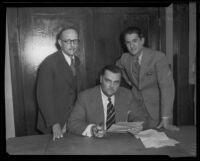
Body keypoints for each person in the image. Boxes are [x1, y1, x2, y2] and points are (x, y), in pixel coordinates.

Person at [116, 26, 179, 131]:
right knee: (136, 141)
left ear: (142, 40)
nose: (132, 46)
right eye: (128, 42)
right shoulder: (125, 58)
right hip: (136, 109)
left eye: (135, 41)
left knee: (159, 142)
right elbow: (118, 67)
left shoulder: (158, 57)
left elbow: (167, 88)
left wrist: (165, 117)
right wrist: (129, 81)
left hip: (157, 112)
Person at [68, 65, 146, 138]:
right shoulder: (85, 97)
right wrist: (92, 129)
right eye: (108, 81)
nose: (112, 86)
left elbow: (140, 117)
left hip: (121, 142)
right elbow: (72, 123)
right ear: (101, 79)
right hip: (95, 144)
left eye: (116, 82)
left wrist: (137, 126)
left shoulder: (127, 94)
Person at [36, 27, 81, 140]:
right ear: (60, 43)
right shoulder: (48, 64)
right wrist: (54, 124)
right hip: (53, 122)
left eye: (75, 41)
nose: (72, 45)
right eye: (67, 41)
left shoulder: (77, 61)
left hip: (71, 119)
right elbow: (44, 97)